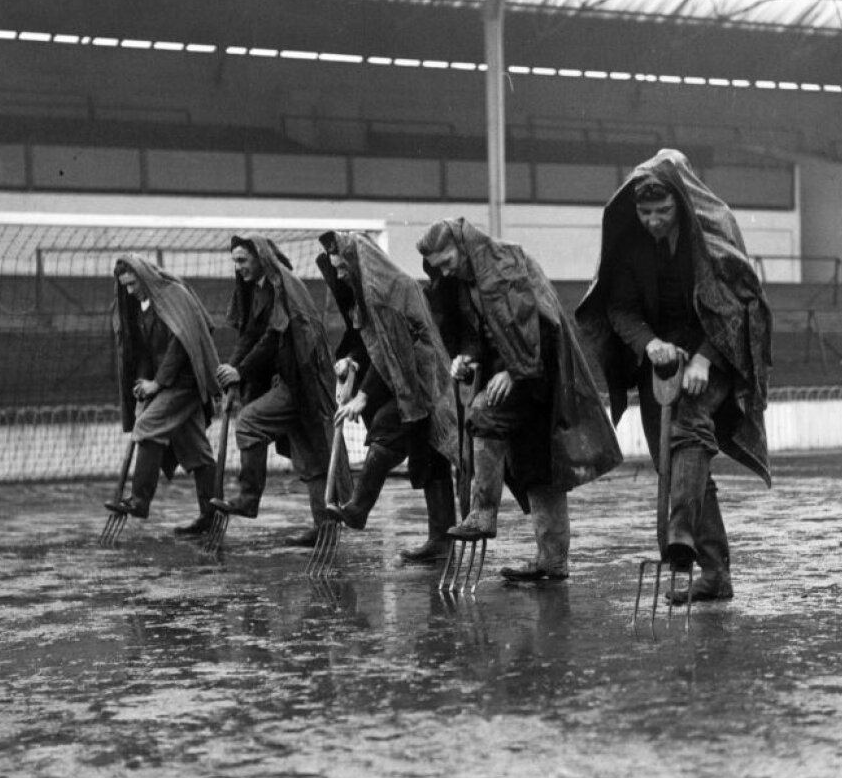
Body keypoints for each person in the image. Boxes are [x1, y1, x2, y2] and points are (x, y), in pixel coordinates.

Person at [575, 148, 772, 603]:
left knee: (689, 430)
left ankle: (679, 533)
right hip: (659, 356)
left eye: (662, 211)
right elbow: (619, 307)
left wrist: (705, 358)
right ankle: (716, 574)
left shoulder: (712, 234)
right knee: (674, 459)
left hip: (713, 350)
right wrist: (649, 344)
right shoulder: (630, 244)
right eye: (644, 212)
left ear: (681, 203)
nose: (653, 221)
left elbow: (738, 305)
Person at [416, 218, 623, 581]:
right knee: (538, 470)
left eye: (448, 260)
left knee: (483, 414)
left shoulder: (509, 264)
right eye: (439, 266)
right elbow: (476, 332)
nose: (445, 271)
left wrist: (515, 371)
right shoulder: (463, 283)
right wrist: (467, 355)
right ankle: (553, 561)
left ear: (463, 245)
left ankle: (483, 513)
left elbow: (543, 324)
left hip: (537, 373)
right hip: (508, 375)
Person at [316, 230, 459, 563]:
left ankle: (358, 509)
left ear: (356, 261)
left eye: (341, 267)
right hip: (407, 380)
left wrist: (364, 396)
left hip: (424, 381)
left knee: (386, 426)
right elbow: (373, 345)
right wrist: (352, 358)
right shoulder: (369, 292)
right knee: (431, 456)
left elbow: (394, 352)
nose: (338, 274)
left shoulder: (385, 292)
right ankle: (440, 540)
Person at [209, 234, 344, 545]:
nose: (238, 267)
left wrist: (240, 372)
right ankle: (325, 531)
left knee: (249, 422)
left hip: (301, 380)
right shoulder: (256, 290)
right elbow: (249, 335)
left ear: (261, 258)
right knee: (309, 457)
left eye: (243, 260)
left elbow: (271, 338)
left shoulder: (281, 287)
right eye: (235, 261)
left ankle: (248, 498)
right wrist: (232, 371)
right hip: (286, 379)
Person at [106, 254, 224, 532]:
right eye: (126, 286)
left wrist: (157, 384)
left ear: (145, 275)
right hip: (167, 382)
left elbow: (180, 344)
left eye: (133, 283)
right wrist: (143, 384)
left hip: (185, 381)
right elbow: (147, 351)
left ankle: (139, 500)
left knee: (146, 427)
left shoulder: (174, 294)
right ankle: (210, 519)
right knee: (197, 451)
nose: (131, 291)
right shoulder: (144, 307)